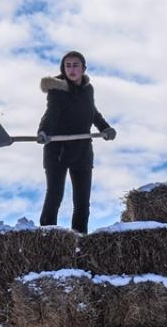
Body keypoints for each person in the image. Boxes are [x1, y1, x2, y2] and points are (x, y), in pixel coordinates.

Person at [37, 50, 116, 234]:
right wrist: (43, 132)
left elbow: (93, 112)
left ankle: (80, 240)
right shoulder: (57, 90)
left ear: (83, 68)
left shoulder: (88, 89)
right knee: (55, 195)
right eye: (68, 65)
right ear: (63, 69)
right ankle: (47, 238)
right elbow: (51, 113)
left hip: (82, 149)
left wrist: (105, 128)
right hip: (58, 148)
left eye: (75, 65)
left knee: (82, 201)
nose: (71, 69)